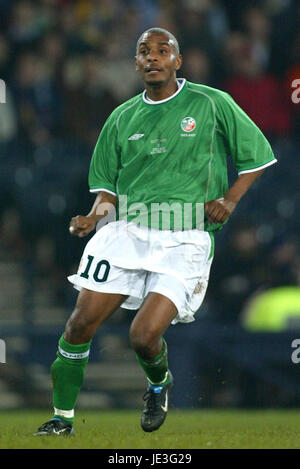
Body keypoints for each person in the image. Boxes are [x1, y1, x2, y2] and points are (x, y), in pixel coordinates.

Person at [34, 27, 277, 436]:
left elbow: (258, 157)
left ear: (177, 61)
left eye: (162, 51)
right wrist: (95, 218)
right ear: (135, 63)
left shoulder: (212, 103)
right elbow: (107, 190)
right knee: (78, 324)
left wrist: (230, 200)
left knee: (143, 337)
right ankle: (62, 420)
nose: (152, 57)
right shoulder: (121, 117)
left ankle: (158, 383)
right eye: (144, 51)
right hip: (128, 231)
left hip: (184, 237)